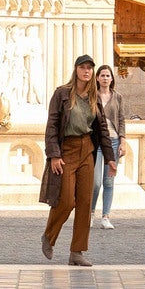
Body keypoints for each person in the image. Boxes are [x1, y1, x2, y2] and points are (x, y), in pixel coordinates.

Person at [39, 54, 116, 266]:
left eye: (90, 68)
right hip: (66, 151)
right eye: (83, 67)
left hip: (87, 151)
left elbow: (102, 129)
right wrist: (54, 154)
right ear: (76, 70)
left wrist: (110, 158)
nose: (87, 71)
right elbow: (52, 125)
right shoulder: (62, 94)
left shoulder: (94, 97)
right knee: (65, 200)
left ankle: (77, 252)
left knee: (84, 202)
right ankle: (49, 236)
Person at [90, 64, 126, 230]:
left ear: (112, 79)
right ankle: (90, 212)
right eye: (102, 75)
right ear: (97, 78)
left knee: (109, 181)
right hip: (96, 143)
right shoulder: (91, 96)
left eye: (108, 76)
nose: (105, 78)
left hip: (113, 141)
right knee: (96, 182)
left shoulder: (117, 97)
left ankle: (106, 216)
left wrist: (123, 141)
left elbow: (121, 120)